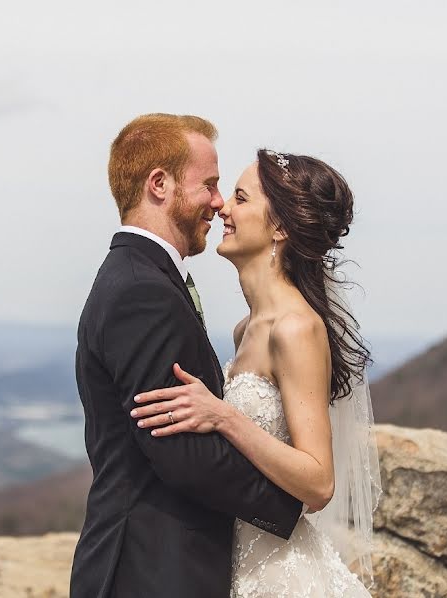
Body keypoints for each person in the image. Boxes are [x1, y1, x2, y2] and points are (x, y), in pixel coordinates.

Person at [130, 149, 382, 596]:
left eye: (241, 198)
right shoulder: (245, 329)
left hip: (283, 576)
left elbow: (319, 481)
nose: (223, 206)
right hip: (235, 562)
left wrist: (225, 417)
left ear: (280, 228)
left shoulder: (295, 328)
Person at [70, 115, 303, 598]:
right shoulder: (142, 291)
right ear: (160, 184)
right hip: (151, 570)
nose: (218, 204)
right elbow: (181, 452)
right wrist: (287, 507)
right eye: (210, 186)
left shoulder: (140, 277)